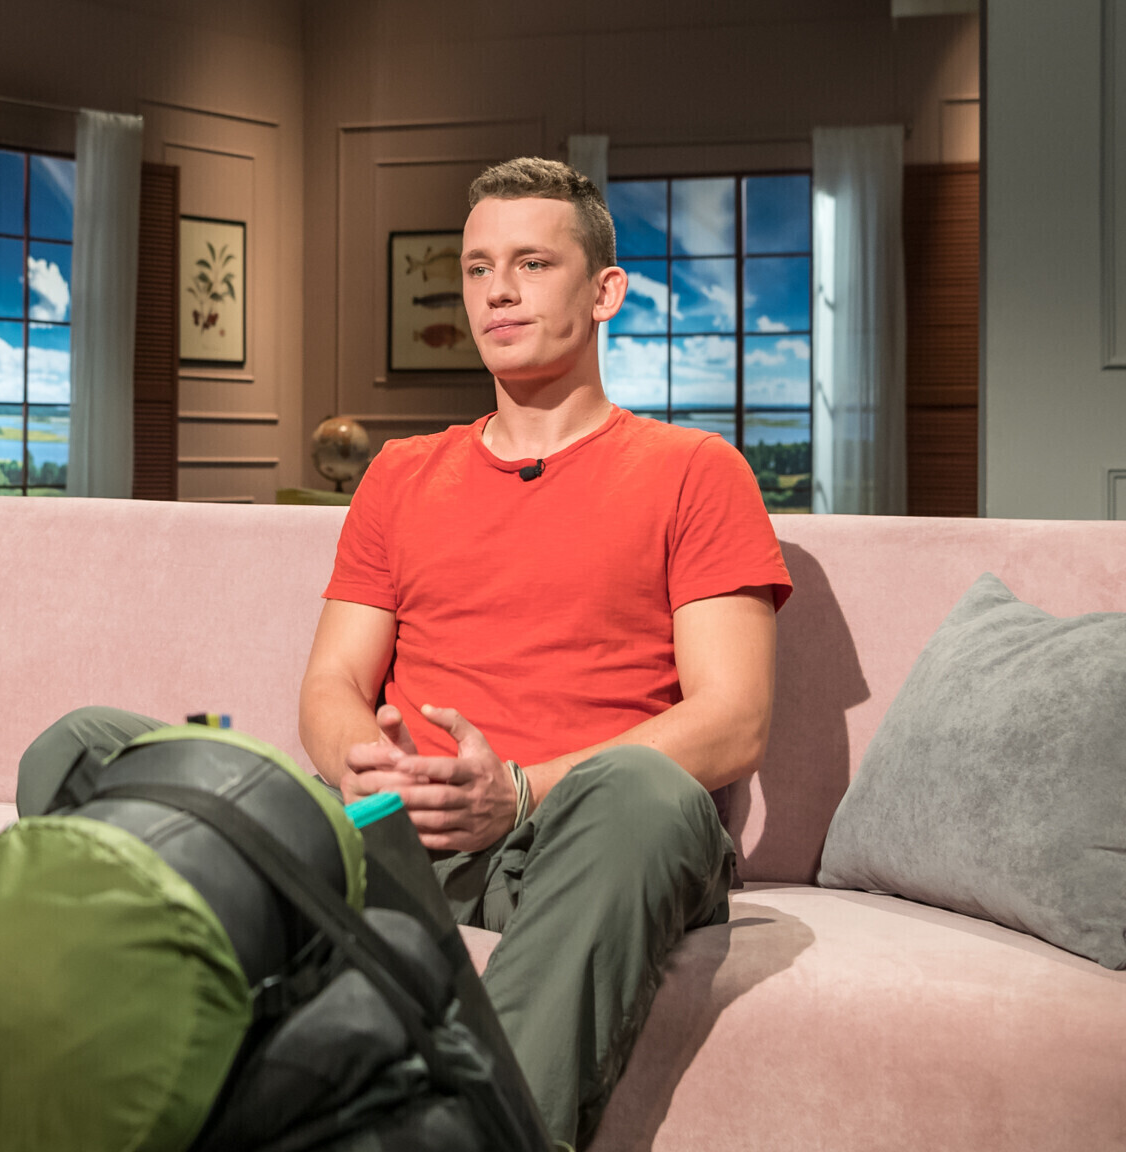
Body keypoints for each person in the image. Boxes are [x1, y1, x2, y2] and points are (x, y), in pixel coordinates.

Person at [296, 157, 792, 1147]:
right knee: (93, 747)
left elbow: (733, 722)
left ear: (604, 292)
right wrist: (374, 772)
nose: (498, 291)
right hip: (410, 836)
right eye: (477, 268)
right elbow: (331, 681)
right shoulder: (399, 475)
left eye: (531, 264)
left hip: (588, 840)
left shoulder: (694, 471)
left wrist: (517, 794)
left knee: (645, 792)